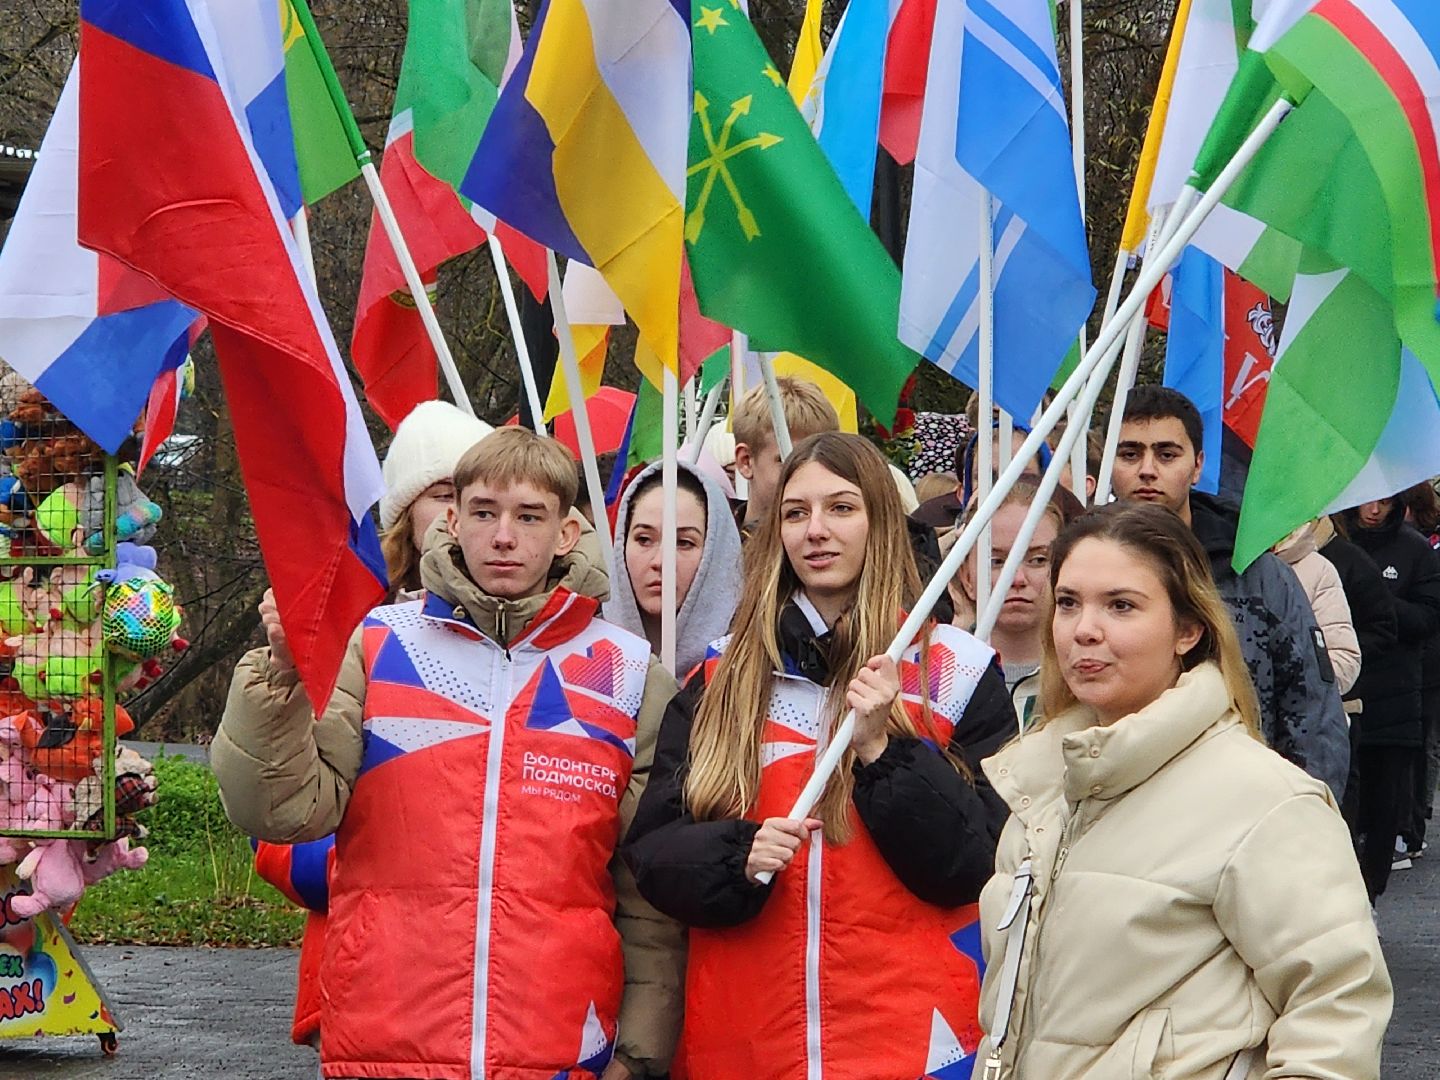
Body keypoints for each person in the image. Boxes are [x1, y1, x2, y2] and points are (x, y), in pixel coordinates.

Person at [213, 427, 683, 1080]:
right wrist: (282, 678)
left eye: (529, 516)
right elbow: (282, 811)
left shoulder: (630, 671)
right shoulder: (377, 642)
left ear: (568, 532)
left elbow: (646, 890)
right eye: (485, 513)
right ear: (454, 521)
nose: (503, 536)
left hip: (558, 1048)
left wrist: (635, 1053)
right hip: (384, 1037)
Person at [624, 432, 1015, 1080]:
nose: (816, 531)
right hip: (746, 1049)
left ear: (881, 521)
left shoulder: (960, 673)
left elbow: (981, 863)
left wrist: (883, 752)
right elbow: (654, 856)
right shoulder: (719, 679)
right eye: (796, 512)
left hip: (917, 1049)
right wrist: (734, 856)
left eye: (841, 508)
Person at [975, 502, 1391, 1079]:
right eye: (1068, 602)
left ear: (1188, 629)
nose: (1084, 628)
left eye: (1121, 605)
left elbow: (1338, 1010)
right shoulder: (1037, 785)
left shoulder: (1264, 798)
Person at [251, 398, 491, 1051]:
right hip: (368, 983)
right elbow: (276, 825)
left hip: (496, 991)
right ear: (401, 512)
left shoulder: (543, 645)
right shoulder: (345, 635)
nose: (458, 511)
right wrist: (386, 870)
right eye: (441, 491)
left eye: (475, 493)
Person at [1112, 385, 1349, 797]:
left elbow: (1311, 711)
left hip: (1242, 812)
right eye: (1130, 454)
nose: (1147, 469)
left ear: (1198, 464)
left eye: (1167, 454)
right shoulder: (1075, 569)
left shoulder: (1260, 578)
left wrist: (1304, 819)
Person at [1338, 496, 1440, 902]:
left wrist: (1377, 598)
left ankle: (1372, 894)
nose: (1374, 511)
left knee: (1384, 809)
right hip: (1345, 696)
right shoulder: (1337, 552)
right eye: (1366, 502)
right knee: (1345, 806)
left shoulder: (1415, 550)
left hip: (1395, 697)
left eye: (1383, 502)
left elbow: (1427, 619)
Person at [950, 479, 1073, 728]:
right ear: (967, 577)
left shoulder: (1085, 674)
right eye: (997, 561)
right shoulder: (939, 681)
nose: (1017, 579)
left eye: (1038, 559)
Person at [607, 459, 743, 676]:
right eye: (644, 539)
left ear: (717, 553)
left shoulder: (751, 668)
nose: (660, 562)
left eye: (684, 543)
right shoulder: (579, 659)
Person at [1273, 518, 1362, 694]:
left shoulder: (1317, 569)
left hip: (1298, 712)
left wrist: (1291, 687)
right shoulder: (1214, 567)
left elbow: (1343, 658)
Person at [1401, 480, 1440, 858]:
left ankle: (1415, 818)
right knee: (1424, 742)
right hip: (1422, 661)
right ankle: (1414, 817)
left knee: (1424, 742)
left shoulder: (1421, 549)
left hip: (1428, 661)